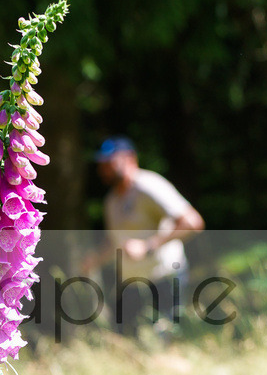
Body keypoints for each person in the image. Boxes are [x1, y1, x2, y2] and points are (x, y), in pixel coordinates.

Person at [82, 136, 205, 337]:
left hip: (164, 277)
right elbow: (114, 242)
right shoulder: (111, 201)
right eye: (101, 164)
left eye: (109, 162)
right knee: (128, 340)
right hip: (131, 284)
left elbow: (192, 222)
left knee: (162, 339)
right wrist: (95, 260)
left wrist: (148, 246)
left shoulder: (149, 185)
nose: (103, 169)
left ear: (130, 158)